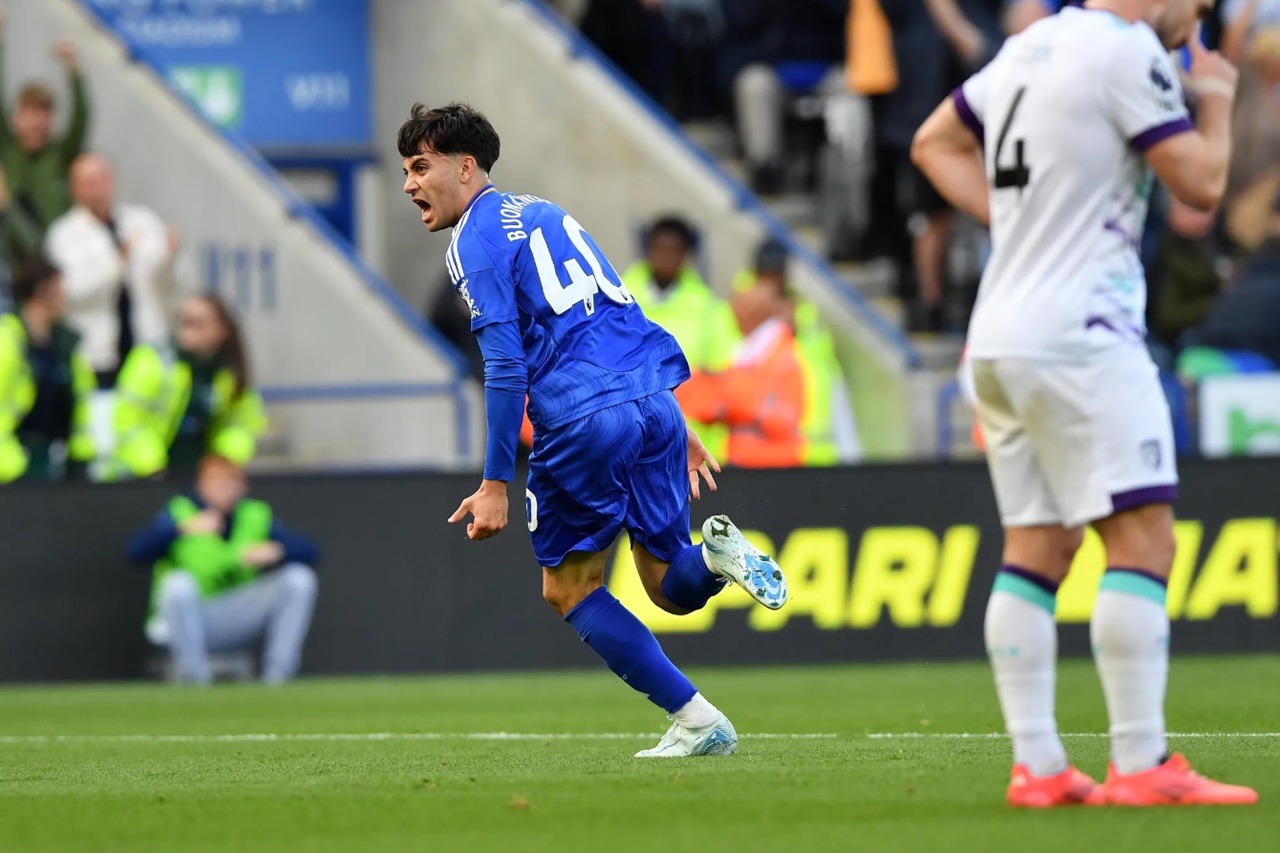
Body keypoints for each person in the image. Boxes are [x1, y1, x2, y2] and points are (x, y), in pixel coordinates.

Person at [912, 0, 1257, 806]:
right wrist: (1215, 94)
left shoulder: (1028, 48)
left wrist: (1027, 227)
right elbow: (1201, 185)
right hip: (1084, 337)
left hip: (999, 334)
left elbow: (934, 141)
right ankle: (1141, 764)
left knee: (1037, 550)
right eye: (1197, 10)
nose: (1196, 27)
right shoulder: (1126, 51)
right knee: (1144, 540)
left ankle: (1038, 765)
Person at [399, 102, 788, 758]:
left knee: (569, 588)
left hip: (583, 417)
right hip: (649, 398)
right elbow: (616, 310)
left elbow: (503, 365)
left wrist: (496, 480)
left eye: (420, 166)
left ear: (466, 168)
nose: (410, 183)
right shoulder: (548, 214)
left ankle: (697, 719)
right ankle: (717, 558)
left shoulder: (473, 243)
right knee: (668, 583)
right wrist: (670, 414)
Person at [127, 455, 319, 685]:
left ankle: (277, 678)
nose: (224, 489)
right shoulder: (181, 513)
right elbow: (136, 552)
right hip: (193, 616)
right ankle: (195, 678)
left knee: (298, 578)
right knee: (177, 583)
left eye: (230, 482)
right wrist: (180, 530)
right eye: (216, 482)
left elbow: (311, 551)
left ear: (242, 487)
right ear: (200, 485)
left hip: (238, 615)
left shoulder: (254, 515)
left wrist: (278, 550)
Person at [44, 153, 183, 389]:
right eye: (87, 182)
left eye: (101, 178)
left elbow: (170, 281)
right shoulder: (63, 234)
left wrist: (170, 257)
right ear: (74, 188)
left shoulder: (142, 219)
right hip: (96, 354)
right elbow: (73, 290)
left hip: (146, 345)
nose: (97, 187)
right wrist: (117, 262)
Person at [111, 294, 266, 481]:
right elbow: (128, 421)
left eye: (197, 323)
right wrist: (152, 467)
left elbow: (243, 424)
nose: (187, 329)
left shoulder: (229, 372)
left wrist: (222, 461)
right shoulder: (151, 360)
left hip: (204, 479)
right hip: (146, 474)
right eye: (184, 321)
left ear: (222, 329)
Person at [622, 215, 739, 462]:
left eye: (674, 250)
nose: (665, 256)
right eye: (659, 248)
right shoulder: (620, 303)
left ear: (686, 255)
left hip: (690, 449)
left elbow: (728, 378)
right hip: (629, 443)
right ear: (648, 250)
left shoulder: (710, 310)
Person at [0, 256, 96, 482]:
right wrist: (13, 468)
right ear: (43, 290)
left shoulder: (66, 344)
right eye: (60, 287)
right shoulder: (8, 339)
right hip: (14, 468)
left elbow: (81, 403)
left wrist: (80, 458)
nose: (65, 296)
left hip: (56, 462)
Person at [0, 13, 88, 235]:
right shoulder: (7, 147)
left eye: (43, 115)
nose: (36, 123)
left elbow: (81, 118)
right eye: (30, 113)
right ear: (17, 116)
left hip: (53, 249)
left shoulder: (60, 154)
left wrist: (73, 69)